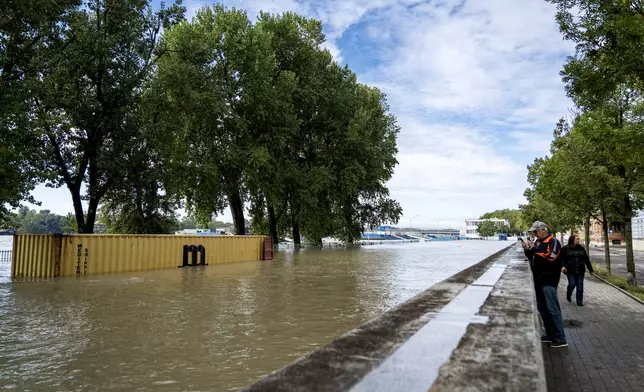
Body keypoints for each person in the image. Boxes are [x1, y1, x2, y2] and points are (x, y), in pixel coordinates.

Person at [522, 221, 567, 348]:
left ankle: (561, 337)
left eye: (536, 231)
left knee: (553, 309)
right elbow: (533, 257)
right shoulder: (538, 242)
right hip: (538, 279)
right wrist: (528, 250)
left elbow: (550, 257)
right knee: (542, 308)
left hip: (549, 279)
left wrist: (533, 252)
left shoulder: (553, 242)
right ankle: (550, 333)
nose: (535, 234)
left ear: (543, 230)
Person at [561, 235, 593, 306]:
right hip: (570, 270)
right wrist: (562, 266)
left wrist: (590, 269)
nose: (578, 240)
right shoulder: (565, 248)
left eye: (579, 239)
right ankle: (568, 293)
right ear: (572, 240)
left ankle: (579, 301)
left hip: (580, 271)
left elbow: (586, 259)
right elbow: (561, 258)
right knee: (572, 284)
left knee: (580, 287)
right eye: (577, 239)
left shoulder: (581, 248)